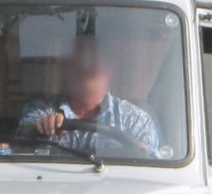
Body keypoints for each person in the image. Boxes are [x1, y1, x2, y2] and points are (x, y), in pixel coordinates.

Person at [18, 36, 160, 154]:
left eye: (94, 59)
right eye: (77, 59)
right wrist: (42, 129)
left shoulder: (136, 122)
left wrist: (138, 152)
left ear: (110, 68)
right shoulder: (40, 112)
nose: (85, 66)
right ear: (66, 67)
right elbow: (21, 141)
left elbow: (150, 173)